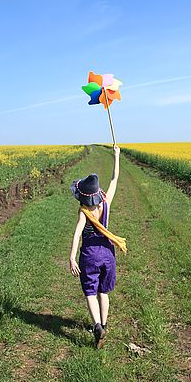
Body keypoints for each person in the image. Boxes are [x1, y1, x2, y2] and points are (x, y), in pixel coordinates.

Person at [69, 144, 125, 348]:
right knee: (104, 291)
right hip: (108, 253)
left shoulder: (84, 212)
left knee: (90, 292)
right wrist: (116, 156)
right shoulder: (106, 202)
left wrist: (71, 257)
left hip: (90, 254)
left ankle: (97, 327)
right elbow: (114, 178)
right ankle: (105, 324)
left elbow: (77, 235)